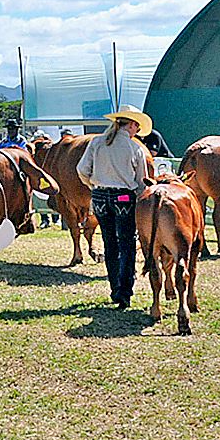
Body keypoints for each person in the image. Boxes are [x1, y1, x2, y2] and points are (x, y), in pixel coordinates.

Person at [76, 106, 152, 309]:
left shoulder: (97, 142)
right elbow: (141, 181)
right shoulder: (134, 148)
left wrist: (93, 184)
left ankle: (114, 287)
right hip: (124, 197)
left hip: (100, 196)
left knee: (109, 242)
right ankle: (125, 291)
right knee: (127, 243)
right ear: (133, 124)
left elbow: (82, 170)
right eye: (137, 126)